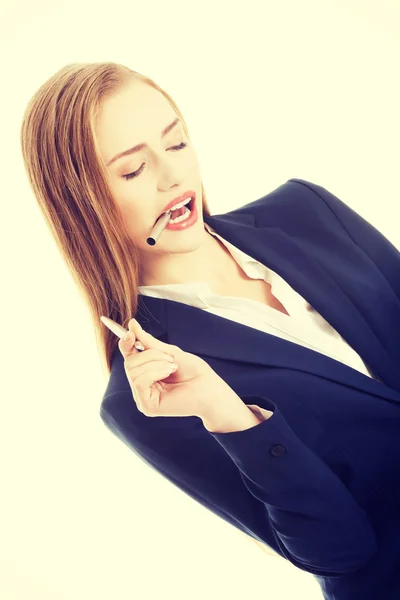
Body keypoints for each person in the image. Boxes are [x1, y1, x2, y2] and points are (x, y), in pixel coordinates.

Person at [20, 61, 400, 600]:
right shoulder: (146, 394)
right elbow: (341, 553)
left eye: (176, 144)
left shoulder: (306, 211)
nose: (174, 177)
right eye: (133, 171)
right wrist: (231, 418)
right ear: (83, 204)